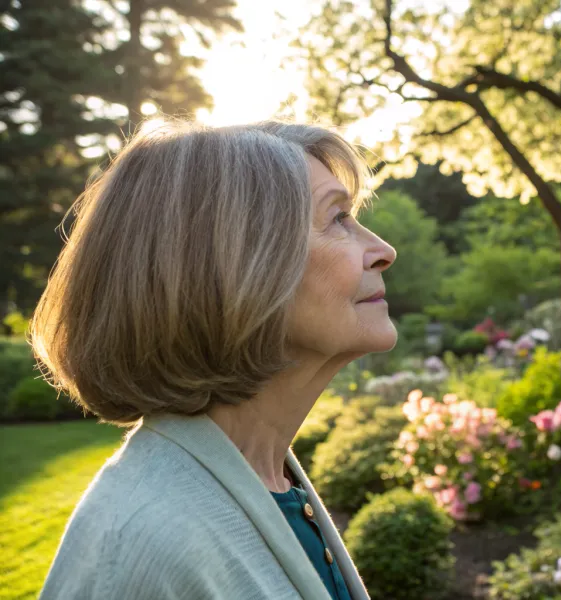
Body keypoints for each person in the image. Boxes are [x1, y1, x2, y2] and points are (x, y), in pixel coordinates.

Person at [31, 120, 397, 600]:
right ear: (235, 265)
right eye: (337, 218)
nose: (383, 251)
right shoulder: (138, 549)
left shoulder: (271, 480)